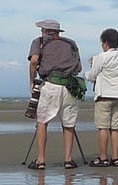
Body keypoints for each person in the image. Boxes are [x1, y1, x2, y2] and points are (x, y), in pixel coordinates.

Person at [27, 19, 83, 170]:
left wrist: (32, 81)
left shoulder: (39, 42)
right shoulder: (71, 43)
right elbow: (79, 67)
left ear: (46, 31)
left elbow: (34, 61)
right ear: (58, 32)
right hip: (70, 87)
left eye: (42, 30)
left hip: (50, 85)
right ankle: (68, 160)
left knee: (42, 122)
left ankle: (41, 160)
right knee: (69, 124)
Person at [85, 28, 118, 167]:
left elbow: (92, 76)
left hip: (104, 95)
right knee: (114, 128)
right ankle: (115, 158)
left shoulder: (101, 57)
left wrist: (90, 67)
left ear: (105, 43)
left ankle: (103, 157)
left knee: (103, 127)